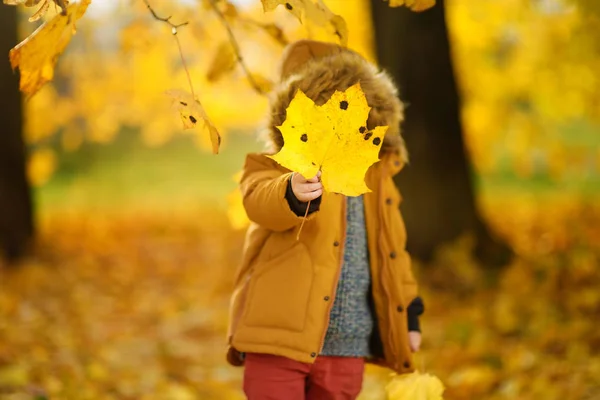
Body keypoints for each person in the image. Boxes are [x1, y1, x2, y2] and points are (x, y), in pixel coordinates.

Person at [226, 39, 424, 400]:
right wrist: (290, 191)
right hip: (278, 339)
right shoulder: (274, 166)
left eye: (350, 111)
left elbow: (394, 253)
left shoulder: (377, 179)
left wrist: (407, 314)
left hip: (348, 343)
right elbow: (257, 200)